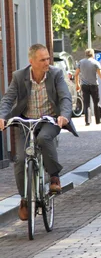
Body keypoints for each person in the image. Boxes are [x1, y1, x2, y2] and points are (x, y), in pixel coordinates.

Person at [0, 44, 78, 221]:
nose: (47, 62)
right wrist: (2, 116)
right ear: (31, 61)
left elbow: (65, 97)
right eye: (42, 59)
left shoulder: (55, 74)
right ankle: (24, 199)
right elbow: (7, 99)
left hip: (49, 120)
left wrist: (64, 116)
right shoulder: (19, 76)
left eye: (48, 58)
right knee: (20, 159)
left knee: (43, 138)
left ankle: (54, 177)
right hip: (27, 122)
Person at [75, 49, 101, 126]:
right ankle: (98, 120)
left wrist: (77, 84)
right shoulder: (95, 63)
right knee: (96, 103)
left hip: (84, 86)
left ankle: (87, 121)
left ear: (85, 54)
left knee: (86, 103)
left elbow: (76, 74)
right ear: (93, 54)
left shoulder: (80, 62)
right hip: (94, 85)